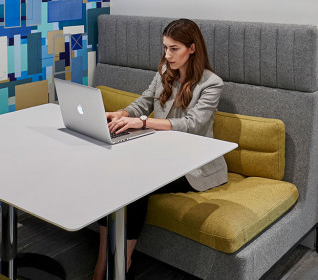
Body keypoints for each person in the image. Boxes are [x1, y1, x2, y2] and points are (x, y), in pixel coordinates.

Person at [92, 18, 227, 280]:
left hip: (193, 165)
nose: (167, 55)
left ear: (192, 48)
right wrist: (121, 113)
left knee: (136, 185)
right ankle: (102, 265)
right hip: (162, 155)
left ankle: (121, 265)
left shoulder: (211, 83)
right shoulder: (166, 70)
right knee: (113, 175)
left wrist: (143, 122)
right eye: (165, 47)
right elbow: (144, 102)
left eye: (174, 48)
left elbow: (191, 125)